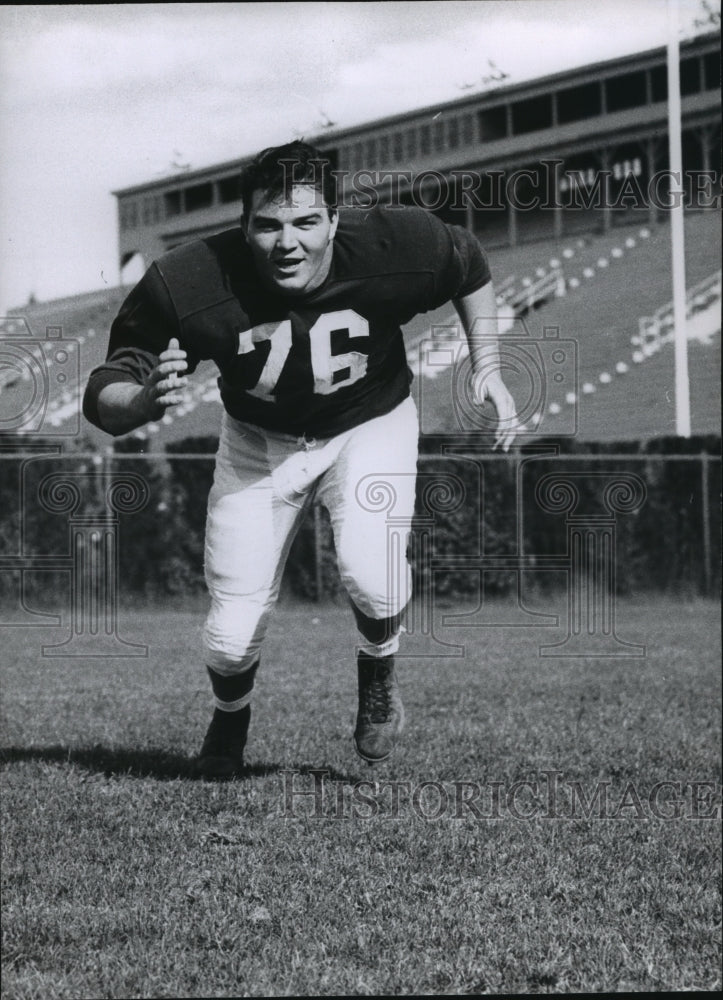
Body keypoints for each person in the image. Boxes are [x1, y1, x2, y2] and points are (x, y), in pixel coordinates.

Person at [83, 141, 518, 778]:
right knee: (229, 640)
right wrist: (144, 400)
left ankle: (378, 672)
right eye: (268, 224)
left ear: (337, 222)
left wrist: (489, 366)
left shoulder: (393, 245)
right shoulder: (192, 278)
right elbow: (102, 394)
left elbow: (469, 264)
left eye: (306, 222)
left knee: (373, 573)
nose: (287, 242)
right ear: (244, 227)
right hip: (259, 441)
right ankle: (231, 720)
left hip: (369, 423)